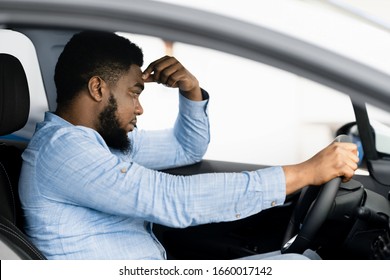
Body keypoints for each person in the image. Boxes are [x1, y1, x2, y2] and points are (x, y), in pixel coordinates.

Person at [19, 31, 359, 260]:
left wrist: (191, 91)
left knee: (306, 263)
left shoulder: (103, 145)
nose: (139, 108)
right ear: (98, 89)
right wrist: (304, 172)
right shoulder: (63, 151)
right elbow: (173, 200)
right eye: (134, 93)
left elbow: (186, 149)